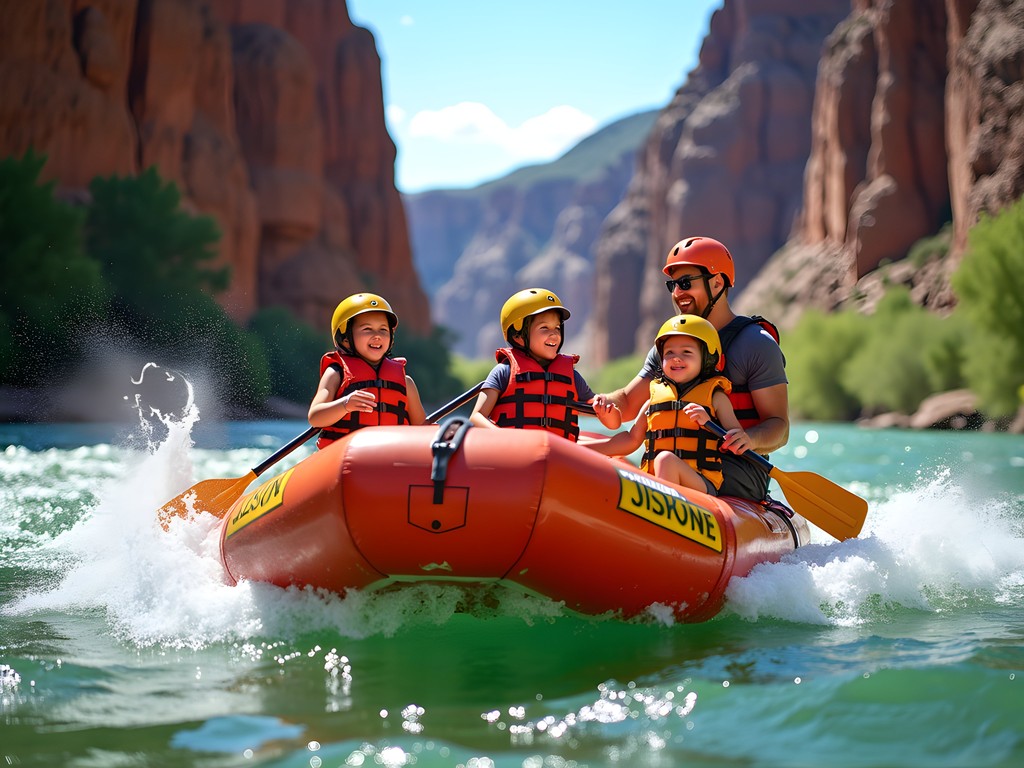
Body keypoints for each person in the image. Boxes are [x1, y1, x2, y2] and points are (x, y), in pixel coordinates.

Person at [597, 236, 788, 501]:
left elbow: (780, 427)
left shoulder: (756, 344)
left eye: (686, 283)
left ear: (717, 283)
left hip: (736, 467)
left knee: (666, 461)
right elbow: (627, 404)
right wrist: (597, 402)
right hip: (673, 460)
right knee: (644, 461)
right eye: (673, 285)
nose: (678, 293)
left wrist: (749, 439)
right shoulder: (671, 348)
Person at [584, 315, 750, 496]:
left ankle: (661, 505)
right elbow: (631, 440)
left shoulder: (716, 398)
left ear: (708, 359)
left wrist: (708, 422)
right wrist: (580, 449)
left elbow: (737, 441)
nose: (676, 358)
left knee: (665, 460)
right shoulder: (654, 400)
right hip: (657, 480)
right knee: (661, 462)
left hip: (700, 483)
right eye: (669, 352)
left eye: (686, 352)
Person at [470, 288, 621, 439]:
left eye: (557, 328)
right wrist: (504, 437)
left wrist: (607, 411)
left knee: (620, 443)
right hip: (514, 449)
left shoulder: (573, 377)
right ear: (518, 336)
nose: (554, 334)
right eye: (544, 328)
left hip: (558, 451)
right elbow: (476, 417)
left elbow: (614, 424)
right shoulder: (503, 372)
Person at [308, 292, 426, 449]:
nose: (377, 336)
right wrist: (345, 404)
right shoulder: (336, 374)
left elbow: (423, 428)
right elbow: (315, 417)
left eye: (383, 330)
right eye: (367, 329)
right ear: (346, 338)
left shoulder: (406, 382)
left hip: (393, 456)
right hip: (347, 455)